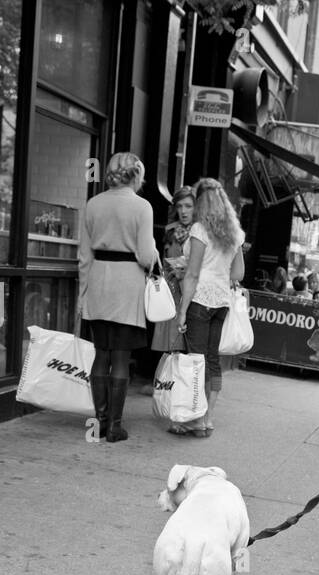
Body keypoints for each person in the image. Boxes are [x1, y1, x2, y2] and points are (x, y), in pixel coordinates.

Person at [79, 151, 159, 443]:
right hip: (128, 284)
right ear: (135, 174)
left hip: (99, 280)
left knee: (101, 354)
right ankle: (114, 425)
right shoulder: (142, 207)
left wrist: (83, 292)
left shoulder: (93, 204)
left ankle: (98, 422)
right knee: (121, 357)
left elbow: (84, 256)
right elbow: (147, 256)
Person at [171, 177, 245, 438]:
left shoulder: (200, 230)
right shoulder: (234, 233)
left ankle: (194, 419)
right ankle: (207, 418)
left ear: (200, 201)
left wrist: (182, 310)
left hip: (200, 300)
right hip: (221, 302)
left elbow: (192, 275)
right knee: (212, 361)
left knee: (195, 362)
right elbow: (238, 272)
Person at [149, 185, 196, 368]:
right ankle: (165, 385)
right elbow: (165, 260)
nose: (183, 211)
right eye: (179, 206)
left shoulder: (200, 231)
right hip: (172, 289)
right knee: (170, 344)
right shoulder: (170, 229)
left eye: (188, 206)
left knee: (189, 344)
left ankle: (181, 387)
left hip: (191, 290)